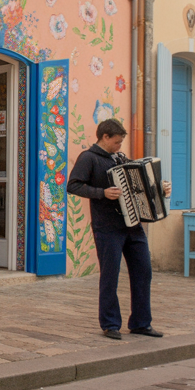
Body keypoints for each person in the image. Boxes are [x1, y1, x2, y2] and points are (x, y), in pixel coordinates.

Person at [67, 119, 172, 340]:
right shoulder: (88, 158)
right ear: (105, 137)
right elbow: (73, 185)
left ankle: (141, 323)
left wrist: (160, 188)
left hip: (133, 225)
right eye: (117, 141)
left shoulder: (121, 158)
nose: (120, 146)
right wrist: (101, 193)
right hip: (107, 227)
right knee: (110, 276)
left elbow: (141, 182)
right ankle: (110, 324)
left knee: (144, 272)